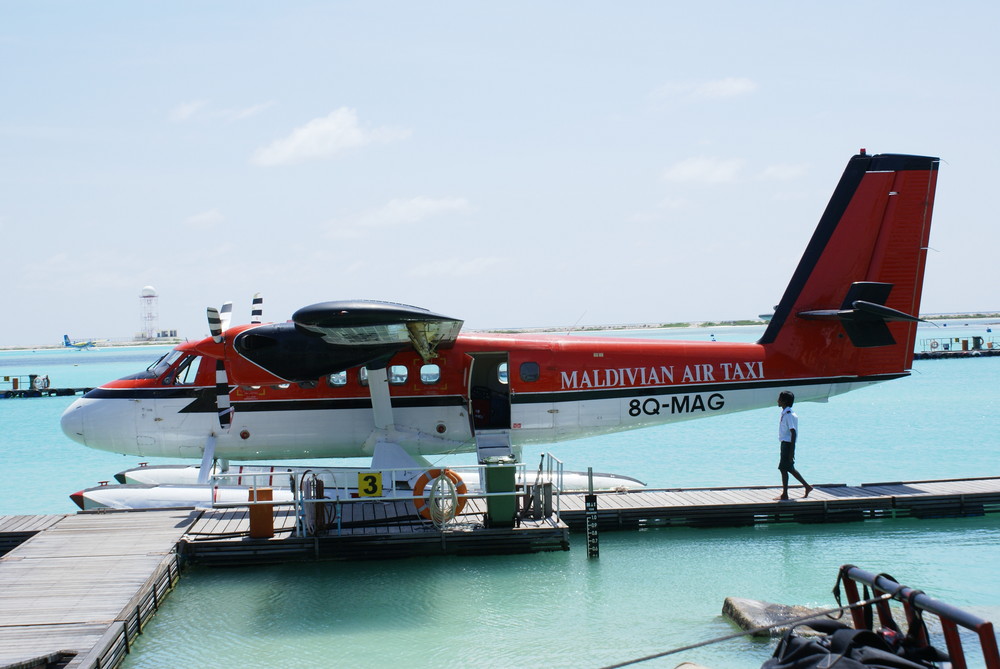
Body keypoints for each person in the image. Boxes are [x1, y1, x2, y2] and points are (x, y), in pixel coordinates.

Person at [775, 390, 813, 500]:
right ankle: (807, 487)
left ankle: (785, 494)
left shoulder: (789, 415)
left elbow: (793, 432)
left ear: (785, 401)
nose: (778, 401)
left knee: (783, 468)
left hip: (788, 445)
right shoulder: (785, 413)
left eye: (780, 399)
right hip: (784, 444)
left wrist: (792, 451)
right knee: (789, 468)